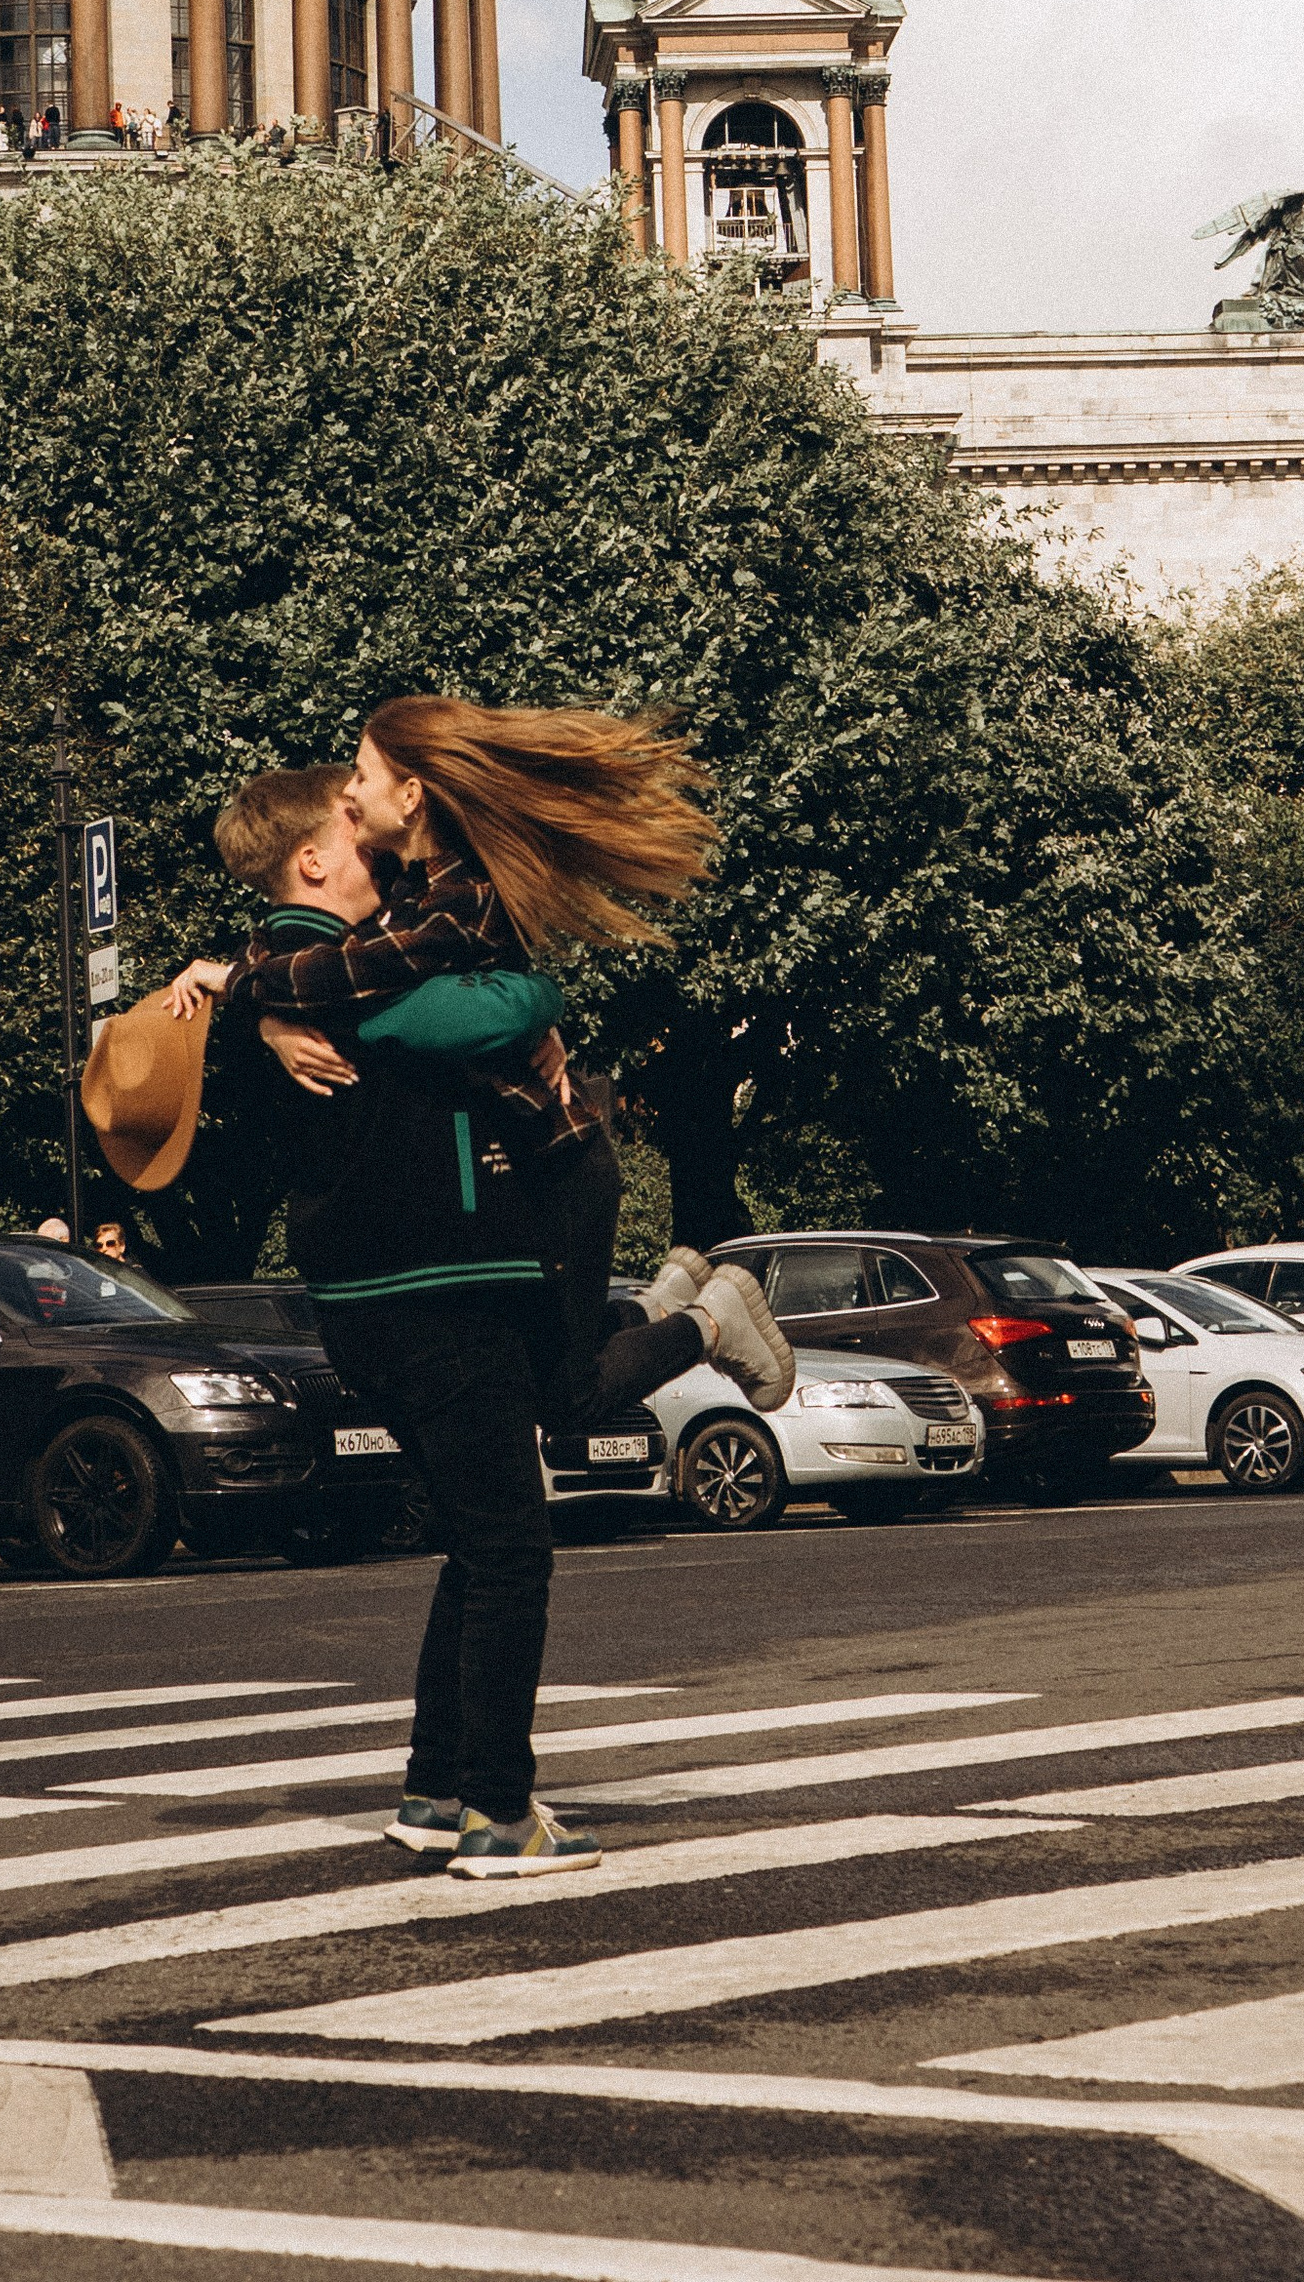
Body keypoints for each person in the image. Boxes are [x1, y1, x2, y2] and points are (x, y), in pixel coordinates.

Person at [205, 710, 790, 1883]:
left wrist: (243, 998)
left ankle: (436, 1789)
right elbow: (500, 1009)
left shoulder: (283, 990)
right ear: (315, 860)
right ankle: (501, 1813)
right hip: (439, 1294)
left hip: (362, 1307)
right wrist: (522, 1003)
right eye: (352, 815)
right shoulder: (361, 988)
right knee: (512, 1550)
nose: (370, 826)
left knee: (475, 1548)